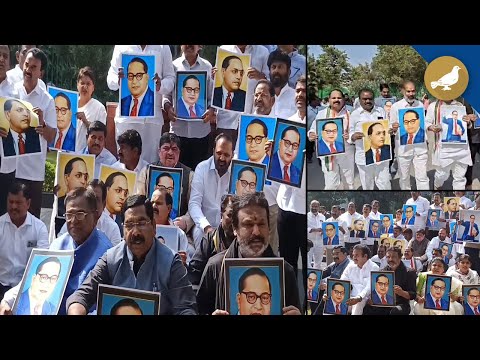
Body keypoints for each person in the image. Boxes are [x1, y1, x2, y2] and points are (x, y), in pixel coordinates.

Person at [66, 194, 197, 315]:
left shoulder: (171, 263)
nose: (135, 232)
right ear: (123, 229)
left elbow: (186, 309)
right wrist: (77, 309)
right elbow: (81, 295)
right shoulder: (111, 259)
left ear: (153, 226)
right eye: (129, 225)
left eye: (141, 223)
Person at [0, 188, 113, 315]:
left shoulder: (107, 253)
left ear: (95, 215)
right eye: (69, 215)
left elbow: (104, 306)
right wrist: (7, 301)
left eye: (80, 214)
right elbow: (30, 283)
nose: (73, 221)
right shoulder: (59, 244)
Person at [196, 192, 301, 315]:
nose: (256, 232)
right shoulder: (215, 267)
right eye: (248, 224)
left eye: (261, 224)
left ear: (269, 228)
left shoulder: (285, 271)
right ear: (235, 229)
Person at [108, 45, 175, 164]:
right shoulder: (121, 47)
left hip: (151, 121)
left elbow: (170, 78)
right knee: (125, 165)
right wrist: (118, 80)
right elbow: (110, 80)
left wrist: (161, 85)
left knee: (149, 166)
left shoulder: (163, 47)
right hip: (126, 118)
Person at [11, 48, 57, 219]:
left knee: (32, 220)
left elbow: (51, 136)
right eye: (26, 65)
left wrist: (42, 123)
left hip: (33, 172)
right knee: (8, 218)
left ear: (41, 72)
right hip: (11, 168)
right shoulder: (11, 92)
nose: (28, 70)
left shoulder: (47, 100)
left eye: (33, 67)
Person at [164, 45, 214, 171]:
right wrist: (168, 107)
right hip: (177, 131)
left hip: (201, 132)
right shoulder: (173, 66)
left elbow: (212, 97)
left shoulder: (207, 67)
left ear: (200, 46)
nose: (189, 46)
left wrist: (211, 110)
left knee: (198, 173)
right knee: (178, 173)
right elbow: (166, 95)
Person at [0, 182, 49, 300]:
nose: (13, 207)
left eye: (18, 203)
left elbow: (42, 263)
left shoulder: (39, 228)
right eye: (11, 202)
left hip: (27, 288)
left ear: (28, 203)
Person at [189, 133, 233, 247]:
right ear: (213, 150)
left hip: (228, 228)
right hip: (203, 226)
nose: (222, 158)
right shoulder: (202, 168)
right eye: (219, 153)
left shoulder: (236, 172)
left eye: (226, 155)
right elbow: (194, 204)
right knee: (201, 238)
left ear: (232, 155)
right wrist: (206, 227)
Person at [390, 81, 431, 190]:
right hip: (403, 149)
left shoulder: (420, 105)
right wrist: (393, 128)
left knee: (422, 177)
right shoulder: (395, 107)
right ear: (403, 91)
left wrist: (430, 127)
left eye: (413, 91)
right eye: (408, 91)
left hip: (420, 148)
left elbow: (424, 122)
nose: (411, 93)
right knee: (404, 177)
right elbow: (390, 126)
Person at [188, 194, 235, 285]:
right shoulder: (209, 240)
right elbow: (194, 273)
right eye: (230, 215)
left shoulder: (245, 241)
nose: (234, 221)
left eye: (237, 216)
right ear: (221, 214)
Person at [58, 180, 122, 247]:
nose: (92, 203)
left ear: (103, 204)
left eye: (96, 199)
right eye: (88, 199)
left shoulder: (112, 228)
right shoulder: (72, 223)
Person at [349, 88, 390, 190]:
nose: (367, 101)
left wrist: (390, 130)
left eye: (370, 98)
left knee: (385, 184)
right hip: (363, 156)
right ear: (360, 99)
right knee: (367, 186)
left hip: (382, 156)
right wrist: (353, 137)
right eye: (364, 99)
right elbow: (349, 133)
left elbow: (387, 127)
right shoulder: (355, 114)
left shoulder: (381, 111)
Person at [363, 247, 416, 315]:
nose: (390, 259)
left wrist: (402, 292)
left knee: (395, 311)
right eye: (388, 257)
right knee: (368, 308)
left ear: (400, 257)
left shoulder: (409, 272)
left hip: (401, 304)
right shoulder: (382, 271)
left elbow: (413, 295)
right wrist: (372, 299)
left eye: (394, 257)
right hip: (384, 304)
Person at [75, 67, 107, 152]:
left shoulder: (99, 108)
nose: (85, 87)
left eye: (88, 84)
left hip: (87, 155)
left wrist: (86, 121)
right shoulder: (69, 104)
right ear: (77, 85)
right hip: (66, 152)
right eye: (82, 83)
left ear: (93, 87)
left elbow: (101, 134)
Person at [55, 157, 89, 235]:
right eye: (78, 175)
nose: (83, 181)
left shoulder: (88, 206)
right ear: (67, 178)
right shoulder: (58, 204)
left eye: (85, 177)